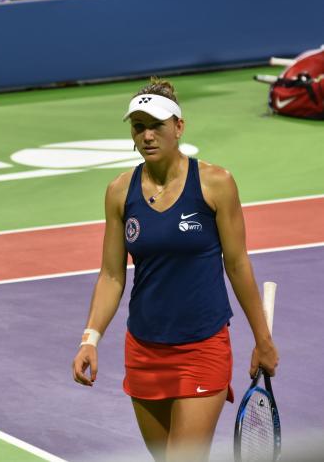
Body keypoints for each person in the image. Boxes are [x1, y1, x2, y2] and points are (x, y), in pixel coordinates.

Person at [72, 78, 279, 462]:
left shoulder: (216, 184)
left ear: (179, 127)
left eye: (157, 125)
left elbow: (237, 264)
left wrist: (262, 339)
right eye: (138, 127)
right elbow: (112, 275)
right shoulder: (120, 191)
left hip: (201, 346)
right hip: (145, 349)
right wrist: (90, 338)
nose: (147, 135)